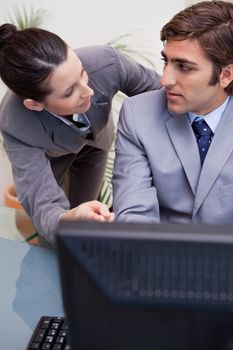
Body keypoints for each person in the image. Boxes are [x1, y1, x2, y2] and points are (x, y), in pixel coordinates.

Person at [0, 24, 161, 244]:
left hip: (96, 143)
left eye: (82, 73)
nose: (89, 91)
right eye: (69, 92)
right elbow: (43, 206)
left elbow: (164, 94)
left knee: (86, 209)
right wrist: (66, 219)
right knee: (61, 229)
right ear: (35, 104)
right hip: (52, 156)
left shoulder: (106, 63)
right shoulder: (15, 125)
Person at [113, 0, 233, 225]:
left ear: (226, 75)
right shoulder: (137, 115)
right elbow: (134, 217)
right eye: (165, 61)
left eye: (185, 67)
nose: (165, 80)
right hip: (156, 254)